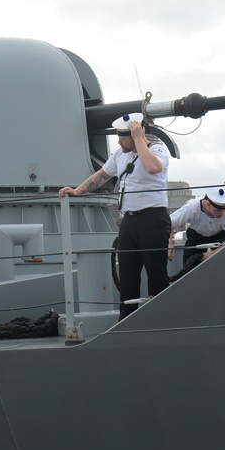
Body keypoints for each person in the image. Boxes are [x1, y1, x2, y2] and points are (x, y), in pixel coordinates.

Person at [59, 112, 170, 320]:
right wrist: (77, 190)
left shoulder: (157, 151)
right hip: (129, 221)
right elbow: (102, 175)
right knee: (128, 277)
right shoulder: (120, 154)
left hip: (153, 220)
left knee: (156, 275)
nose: (119, 141)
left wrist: (139, 140)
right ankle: (126, 322)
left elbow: (153, 167)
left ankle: (161, 320)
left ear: (137, 134)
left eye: (123, 137)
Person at [168, 185, 225, 281]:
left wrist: (210, 254)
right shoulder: (192, 207)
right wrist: (170, 244)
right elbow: (169, 223)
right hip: (196, 235)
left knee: (224, 268)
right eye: (218, 210)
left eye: (224, 210)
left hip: (220, 236)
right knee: (188, 270)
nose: (222, 213)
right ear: (207, 204)